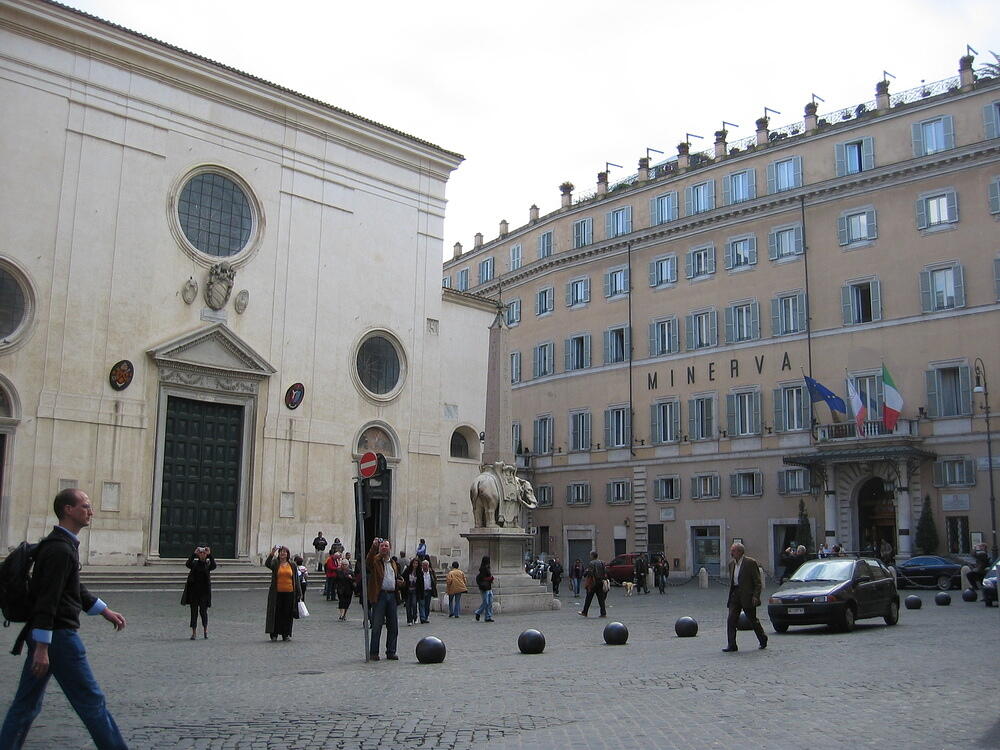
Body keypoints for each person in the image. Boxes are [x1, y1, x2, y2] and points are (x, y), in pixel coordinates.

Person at [0, 488, 129, 750]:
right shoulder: (60, 549)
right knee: (91, 702)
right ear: (68, 510)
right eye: (85, 506)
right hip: (59, 638)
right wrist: (43, 648)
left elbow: (71, 587)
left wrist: (103, 610)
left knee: (26, 705)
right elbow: (48, 600)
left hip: (47, 637)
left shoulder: (60, 545)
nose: (91, 511)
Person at [723, 542, 768, 652]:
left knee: (752, 620)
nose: (731, 553)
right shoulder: (731, 564)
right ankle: (732, 645)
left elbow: (757, 582)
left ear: (740, 552)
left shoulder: (750, 563)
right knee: (731, 619)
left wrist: (756, 596)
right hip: (735, 594)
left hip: (747, 595)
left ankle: (763, 638)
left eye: (733, 551)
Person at [366, 538, 402, 660]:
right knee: (377, 625)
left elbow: (394, 577)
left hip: (392, 596)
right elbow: (368, 561)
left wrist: (399, 583)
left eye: (386, 546)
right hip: (380, 595)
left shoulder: (393, 563)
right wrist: (373, 547)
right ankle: (374, 652)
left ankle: (391, 651)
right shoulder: (375, 561)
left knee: (393, 626)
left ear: (390, 548)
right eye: (382, 546)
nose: (384, 548)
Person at [265, 545, 302, 641]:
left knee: (287, 614)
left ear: (287, 554)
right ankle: (274, 634)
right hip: (277, 593)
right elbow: (267, 564)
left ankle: (286, 634)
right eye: (281, 551)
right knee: (276, 613)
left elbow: (296, 579)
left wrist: (299, 592)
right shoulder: (275, 563)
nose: (283, 553)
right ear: (279, 553)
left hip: (289, 593)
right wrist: (272, 553)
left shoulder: (292, 565)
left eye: (285, 552)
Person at [181, 545, 216, 640]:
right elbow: (188, 564)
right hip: (194, 592)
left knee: (203, 612)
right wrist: (194, 554)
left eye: (204, 553)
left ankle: (205, 630)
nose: (202, 555)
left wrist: (210, 555)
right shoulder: (194, 564)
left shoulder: (208, 565)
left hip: (204, 593)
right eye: (201, 553)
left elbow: (214, 566)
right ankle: (194, 633)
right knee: (194, 613)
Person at [579, 550, 608, 618]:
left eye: (590, 555)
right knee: (601, 599)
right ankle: (603, 613)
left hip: (593, 583)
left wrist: (585, 573)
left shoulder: (591, 563)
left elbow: (590, 572)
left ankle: (585, 612)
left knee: (588, 598)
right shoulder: (602, 562)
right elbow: (605, 572)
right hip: (601, 582)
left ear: (592, 556)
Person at [416, 559, 438, 623]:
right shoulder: (420, 572)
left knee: (427, 605)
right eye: (424, 565)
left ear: (428, 566)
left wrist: (434, 586)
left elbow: (434, 579)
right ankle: (422, 618)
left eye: (426, 565)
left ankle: (426, 617)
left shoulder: (431, 572)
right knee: (421, 604)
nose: (425, 567)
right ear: (422, 566)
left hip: (429, 590)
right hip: (422, 590)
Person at [473, 556, 495, 622]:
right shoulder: (483, 569)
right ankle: (478, 612)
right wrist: (490, 579)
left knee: (490, 602)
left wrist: (490, 579)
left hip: (488, 587)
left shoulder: (487, 568)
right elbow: (483, 578)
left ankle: (488, 617)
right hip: (484, 588)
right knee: (486, 602)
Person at [401, 557, 421, 625]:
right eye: (414, 563)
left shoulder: (419, 572)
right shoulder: (407, 570)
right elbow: (403, 577)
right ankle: (409, 620)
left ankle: (415, 617)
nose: (415, 565)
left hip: (415, 590)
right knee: (408, 605)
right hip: (408, 590)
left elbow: (421, 582)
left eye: (416, 563)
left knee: (414, 604)